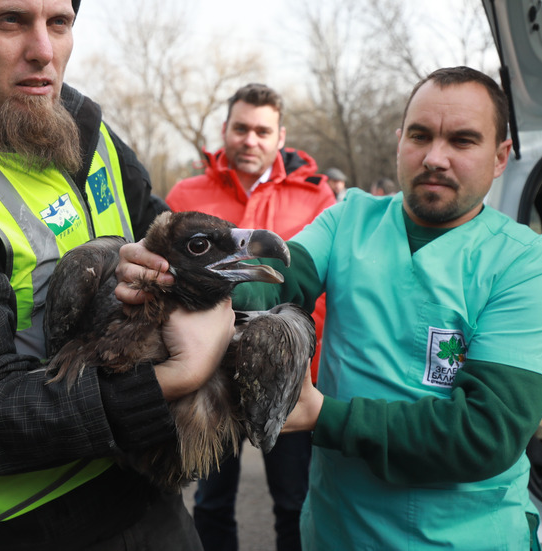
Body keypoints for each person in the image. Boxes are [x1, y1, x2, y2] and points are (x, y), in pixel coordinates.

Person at [118, 66, 542, 550]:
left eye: (462, 141)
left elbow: (487, 432)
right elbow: (281, 280)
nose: (435, 157)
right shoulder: (350, 217)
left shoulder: (526, 263)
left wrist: (324, 416)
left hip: (465, 536)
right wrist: (176, 277)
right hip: (337, 530)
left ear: (500, 157)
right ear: (400, 141)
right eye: (420, 135)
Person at [0, 1, 234, 549]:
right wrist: (178, 377)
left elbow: (181, 252)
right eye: (10, 20)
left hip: (148, 500)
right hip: (18, 529)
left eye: (60, 22)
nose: (44, 51)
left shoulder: (90, 136)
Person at [165, 83, 336, 551]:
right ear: (225, 129)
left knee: (292, 502)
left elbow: (322, 292)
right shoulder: (185, 193)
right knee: (211, 500)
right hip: (208, 380)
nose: (250, 140)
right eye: (241, 128)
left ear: (281, 137)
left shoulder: (316, 199)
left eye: (263, 130)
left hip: (287, 379)